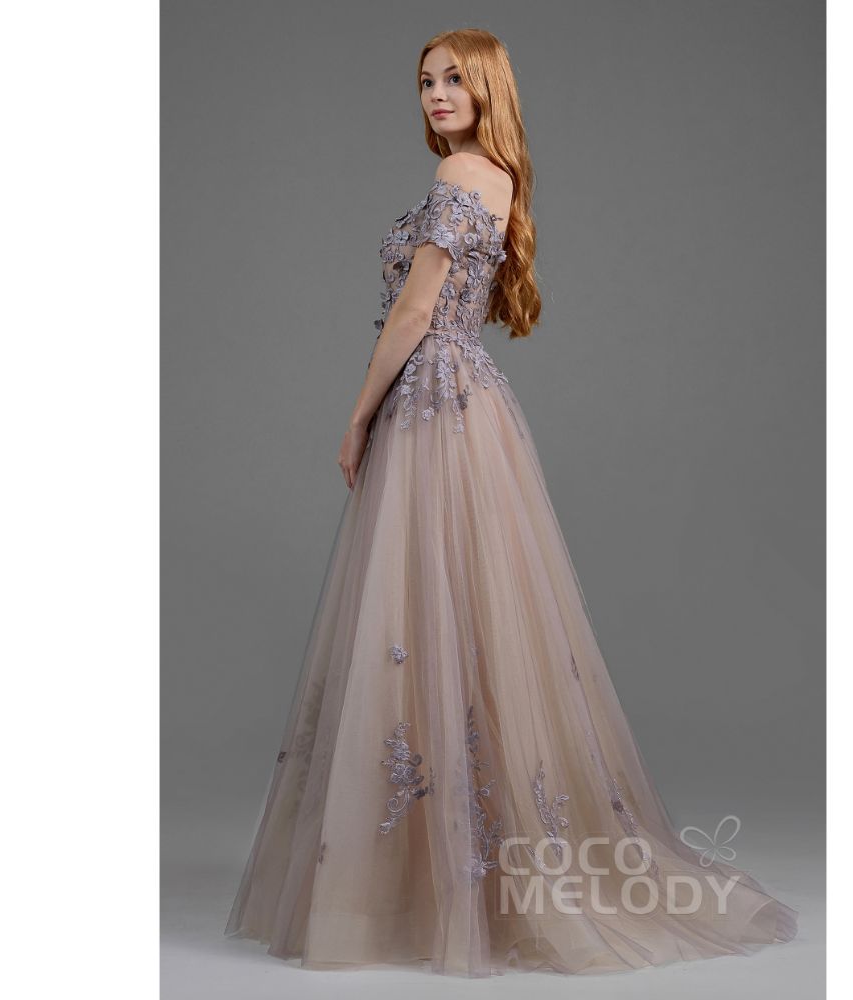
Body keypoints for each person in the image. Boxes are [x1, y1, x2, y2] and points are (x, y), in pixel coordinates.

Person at [224, 27, 798, 978]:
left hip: (431, 400)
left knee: (423, 615)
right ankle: (460, 876)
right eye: (425, 81)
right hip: (469, 403)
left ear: (489, 86)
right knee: (469, 619)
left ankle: (429, 883)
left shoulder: (460, 172)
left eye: (455, 78)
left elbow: (417, 310)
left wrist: (356, 416)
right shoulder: (500, 177)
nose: (436, 93)